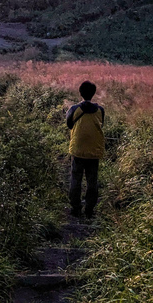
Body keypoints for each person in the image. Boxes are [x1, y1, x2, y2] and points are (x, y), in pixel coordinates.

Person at [66, 80, 105, 219]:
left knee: (76, 178)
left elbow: (69, 124)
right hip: (94, 150)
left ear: (80, 92)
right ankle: (89, 210)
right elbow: (101, 124)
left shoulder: (74, 109)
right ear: (93, 94)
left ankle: (75, 208)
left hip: (78, 149)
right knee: (92, 180)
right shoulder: (100, 110)